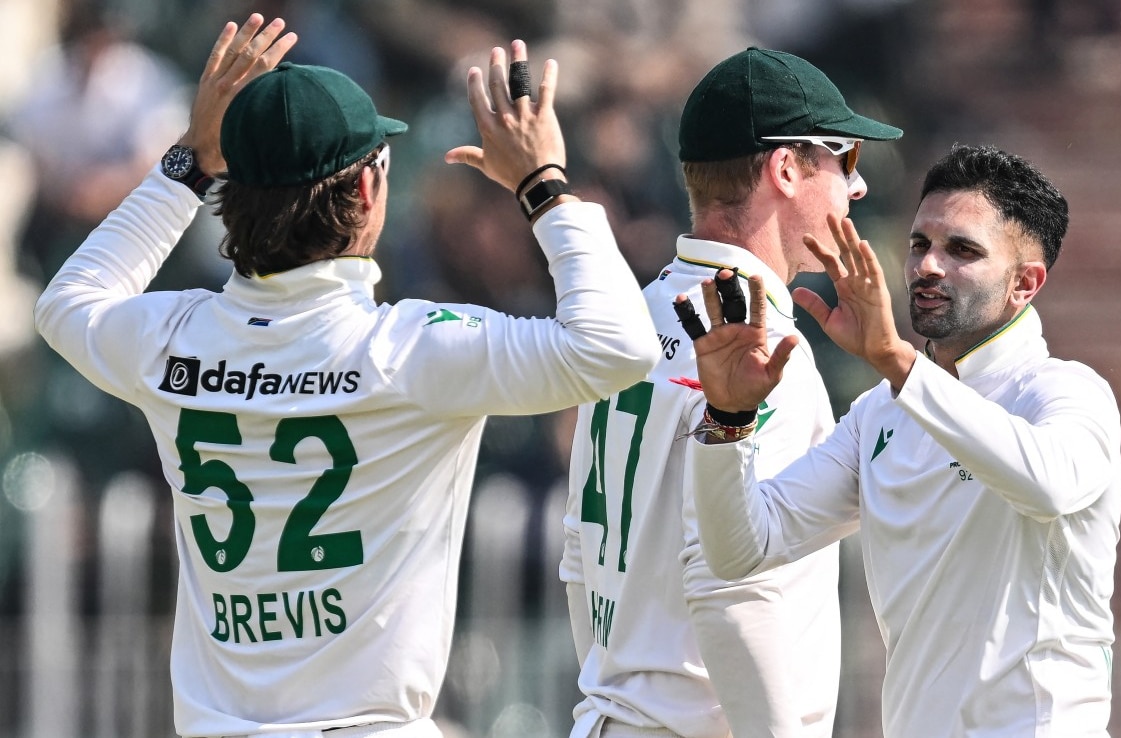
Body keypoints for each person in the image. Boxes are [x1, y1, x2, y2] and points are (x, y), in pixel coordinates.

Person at [34, 14, 659, 738]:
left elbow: (66, 302)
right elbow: (618, 347)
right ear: (367, 188)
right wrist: (543, 185)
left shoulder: (172, 337)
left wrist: (189, 159)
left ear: (231, 192)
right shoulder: (410, 350)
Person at [678, 144, 1121, 737]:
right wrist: (729, 418)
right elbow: (742, 549)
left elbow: (1048, 486)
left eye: (962, 250)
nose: (927, 266)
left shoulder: (1066, 391)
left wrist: (897, 362)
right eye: (919, 244)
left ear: (1025, 283)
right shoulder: (881, 413)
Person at [560, 48, 902, 738]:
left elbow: (577, 557)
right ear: (785, 169)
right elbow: (730, 585)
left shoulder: (632, 321)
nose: (857, 186)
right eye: (844, 158)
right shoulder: (764, 349)